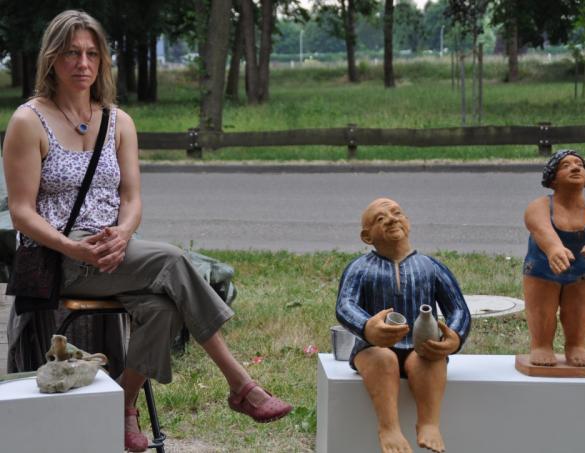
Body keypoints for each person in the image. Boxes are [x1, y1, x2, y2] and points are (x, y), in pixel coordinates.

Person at [2, 10, 291, 452]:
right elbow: (22, 212)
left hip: (117, 249)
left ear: (103, 60)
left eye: (92, 53)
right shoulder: (28, 121)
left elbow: (133, 199)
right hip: (62, 255)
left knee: (162, 306)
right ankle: (241, 384)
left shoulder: (118, 121)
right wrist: (74, 249)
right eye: (72, 53)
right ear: (52, 59)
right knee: (174, 260)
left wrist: (123, 233)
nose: (83, 63)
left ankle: (124, 406)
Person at [336, 198, 471, 453]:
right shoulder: (359, 268)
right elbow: (345, 306)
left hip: (421, 345)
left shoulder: (431, 267)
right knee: (383, 359)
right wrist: (367, 327)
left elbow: (458, 309)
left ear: (407, 221)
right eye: (380, 218)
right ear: (367, 237)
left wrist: (454, 336)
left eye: (396, 213)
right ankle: (388, 427)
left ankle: (429, 423)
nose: (391, 219)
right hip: (372, 347)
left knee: (430, 360)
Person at [523, 149, 585, 368]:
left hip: (583, 268)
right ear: (552, 178)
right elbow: (539, 226)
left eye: (580, 165)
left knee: (578, 311)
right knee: (542, 309)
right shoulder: (541, 205)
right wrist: (553, 247)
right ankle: (541, 345)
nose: (575, 167)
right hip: (543, 268)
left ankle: (576, 345)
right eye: (566, 165)